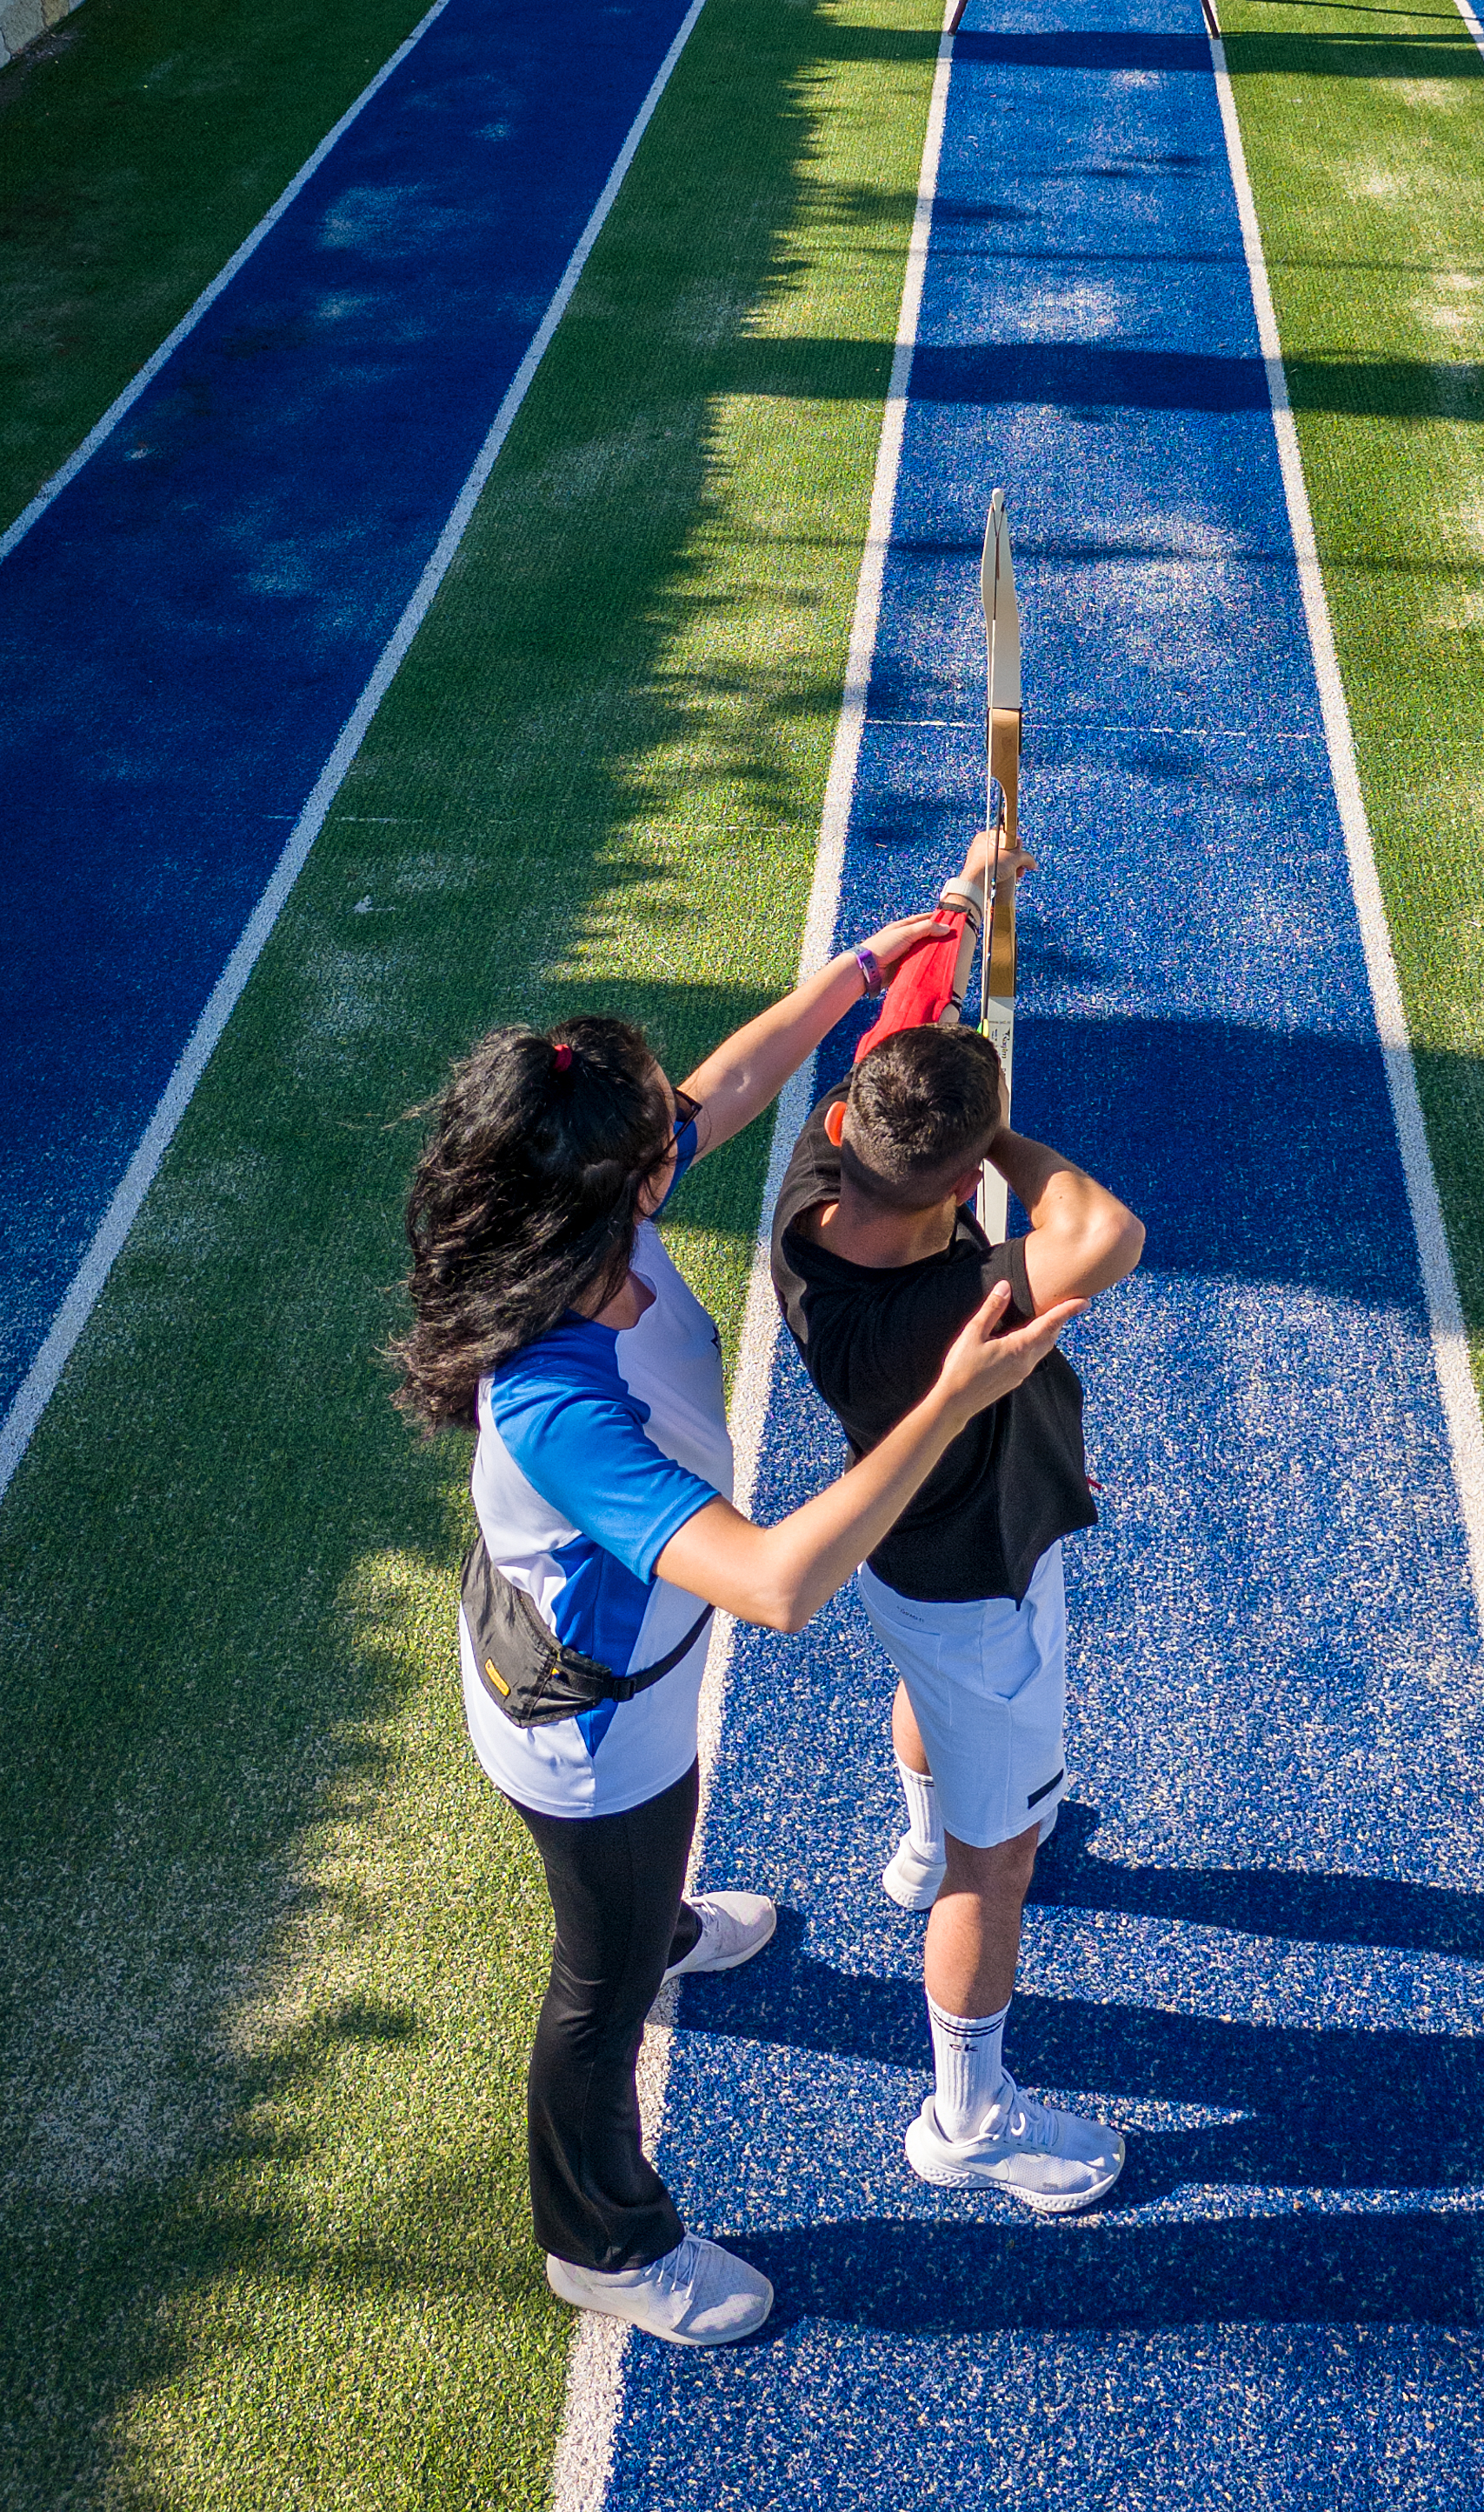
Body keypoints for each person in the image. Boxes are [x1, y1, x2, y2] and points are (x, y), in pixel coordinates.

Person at [392, 910, 1083, 2355]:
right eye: (657, 1138)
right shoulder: (556, 1400)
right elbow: (771, 1583)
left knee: (645, 1905)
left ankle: (670, 1929)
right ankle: (602, 2242)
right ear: (604, 1188)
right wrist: (949, 1399)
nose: (681, 1137)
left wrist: (861, 973)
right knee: (596, 1987)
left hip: (617, 1675)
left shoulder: (588, 1217)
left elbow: (742, 1077)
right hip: (590, 1725)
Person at [771, 842, 1145, 2215]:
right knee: (1006, 1860)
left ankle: (923, 1835)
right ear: (955, 1184)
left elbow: (904, 1032)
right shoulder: (953, 1311)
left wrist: (966, 892)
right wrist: (998, 1137)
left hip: (908, 1568)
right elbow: (1105, 1231)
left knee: (922, 1700)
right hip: (984, 1573)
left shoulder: (818, 1190)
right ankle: (968, 2115)